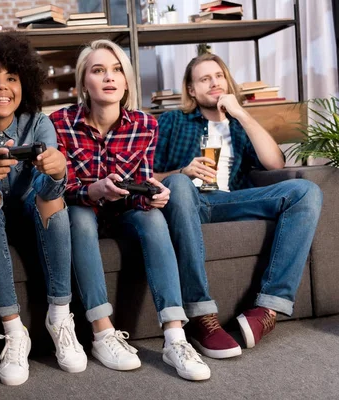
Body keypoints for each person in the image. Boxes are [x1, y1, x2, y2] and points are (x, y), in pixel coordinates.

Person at [50, 39, 211, 381]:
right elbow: (56, 189)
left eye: (117, 70)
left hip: (124, 215)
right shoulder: (59, 122)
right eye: (98, 70)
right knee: (77, 216)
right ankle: (102, 333)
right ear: (83, 84)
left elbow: (139, 186)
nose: (109, 77)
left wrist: (152, 196)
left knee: (152, 219)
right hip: (83, 213)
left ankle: (175, 338)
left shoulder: (144, 125)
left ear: (126, 82)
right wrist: (92, 189)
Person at [153, 53, 323, 358]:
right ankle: (200, 314)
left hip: (227, 201)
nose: (214, 82)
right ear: (191, 90)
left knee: (306, 191)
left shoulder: (238, 124)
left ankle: (267, 310)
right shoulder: (172, 121)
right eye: (204, 79)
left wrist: (240, 113)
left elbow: (274, 163)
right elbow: (143, 176)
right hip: (184, 200)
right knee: (178, 185)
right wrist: (182, 172)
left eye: (218, 76)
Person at [0, 33, 87, 390]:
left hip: (33, 216)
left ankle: (60, 318)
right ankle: (13, 331)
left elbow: (52, 192)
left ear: (24, 82)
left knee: (54, 197)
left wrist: (58, 172)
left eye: (11, 77)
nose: (1, 88)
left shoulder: (39, 123)